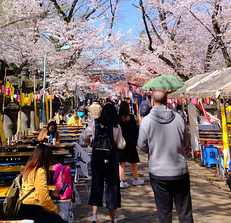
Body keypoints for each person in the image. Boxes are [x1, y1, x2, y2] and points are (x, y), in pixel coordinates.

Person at [138, 90, 193, 223]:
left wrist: (153, 150)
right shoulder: (178, 118)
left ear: (152, 102)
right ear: (167, 100)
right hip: (180, 170)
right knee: (185, 213)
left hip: (158, 172)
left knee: (164, 214)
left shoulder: (147, 121)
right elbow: (186, 141)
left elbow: (141, 144)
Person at [80, 103, 126, 223]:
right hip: (111, 160)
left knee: (96, 184)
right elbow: (122, 144)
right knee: (112, 187)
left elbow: (83, 136)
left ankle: (94, 215)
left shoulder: (94, 124)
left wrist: (92, 143)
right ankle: (111, 219)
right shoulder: (117, 127)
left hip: (97, 159)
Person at [17, 144, 67, 223]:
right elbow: (43, 199)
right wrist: (54, 210)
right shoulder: (39, 171)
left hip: (24, 207)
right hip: (34, 210)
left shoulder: (28, 168)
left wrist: (50, 193)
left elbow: (35, 190)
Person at [118, 101, 143, 188]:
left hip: (121, 142)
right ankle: (135, 179)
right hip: (131, 141)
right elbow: (135, 130)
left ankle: (122, 180)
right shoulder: (131, 117)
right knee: (133, 161)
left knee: (122, 162)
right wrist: (137, 141)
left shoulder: (118, 118)